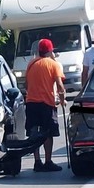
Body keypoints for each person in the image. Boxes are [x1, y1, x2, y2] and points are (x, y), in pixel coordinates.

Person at [25, 38, 65, 172]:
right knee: (48, 133)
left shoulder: (31, 64)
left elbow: (27, 84)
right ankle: (48, 161)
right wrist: (62, 99)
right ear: (50, 51)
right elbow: (60, 86)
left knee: (34, 132)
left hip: (31, 102)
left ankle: (37, 161)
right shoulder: (53, 65)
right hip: (46, 103)